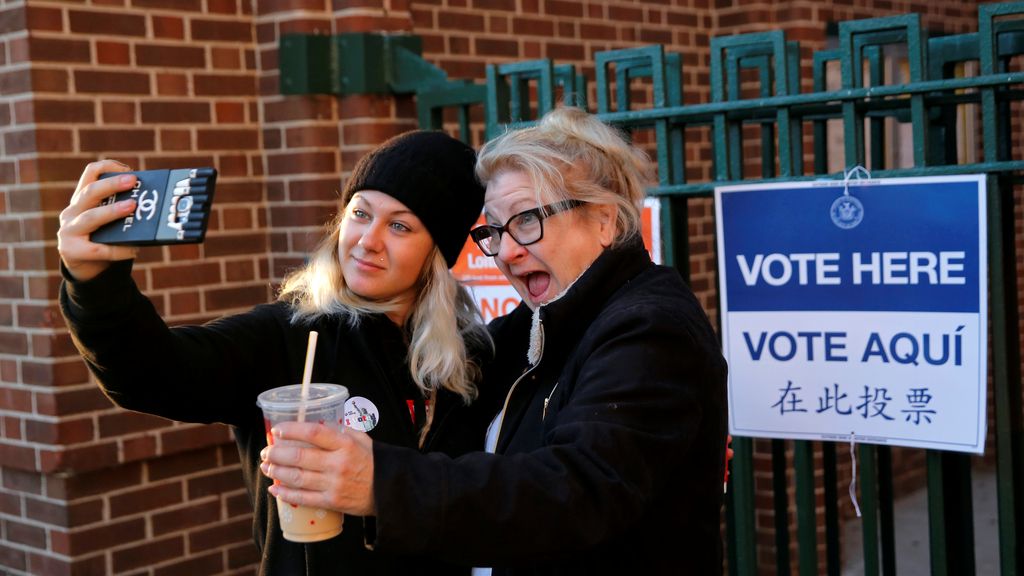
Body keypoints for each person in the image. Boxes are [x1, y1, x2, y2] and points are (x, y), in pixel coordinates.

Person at [261, 107, 729, 574]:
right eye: (495, 230)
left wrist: (381, 483)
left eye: (527, 219)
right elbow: (429, 378)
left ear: (605, 221)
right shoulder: (540, 325)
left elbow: (577, 492)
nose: (506, 251)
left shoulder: (649, 329)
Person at [57, 131, 494, 575]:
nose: (367, 240)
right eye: (360, 214)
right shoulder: (289, 334)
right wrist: (94, 283)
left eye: (399, 225)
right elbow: (151, 373)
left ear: (438, 252)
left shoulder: (470, 359)